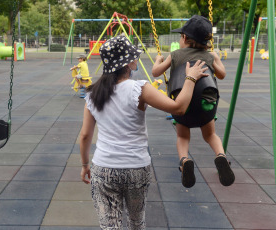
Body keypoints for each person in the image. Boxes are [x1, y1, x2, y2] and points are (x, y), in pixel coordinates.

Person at [80, 35, 209, 229]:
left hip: (104, 167)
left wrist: (84, 164)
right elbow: (179, 108)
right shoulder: (139, 88)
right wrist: (190, 78)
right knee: (136, 222)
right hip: (136, 167)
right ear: (129, 63)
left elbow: (85, 136)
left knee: (109, 226)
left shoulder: (92, 94)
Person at [151, 15, 235, 188]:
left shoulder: (175, 55)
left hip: (183, 103)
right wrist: (215, 58)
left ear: (185, 38)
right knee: (210, 135)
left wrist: (158, 60)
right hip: (206, 102)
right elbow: (222, 75)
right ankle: (220, 156)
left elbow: (156, 72)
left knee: (182, 135)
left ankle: (184, 160)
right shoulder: (209, 55)